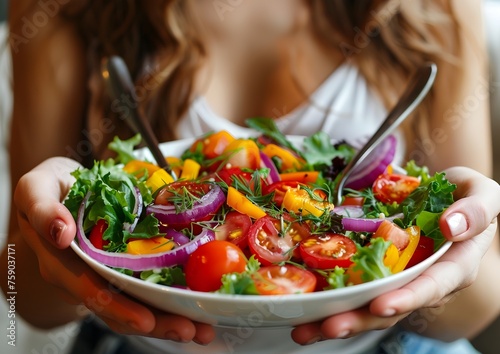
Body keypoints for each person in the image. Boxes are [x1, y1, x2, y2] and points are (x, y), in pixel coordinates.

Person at [2, 0, 500, 353]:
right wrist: (54, 230)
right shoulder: (59, 7)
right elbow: (24, 295)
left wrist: (459, 240)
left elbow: (480, 305)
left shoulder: (440, 8)